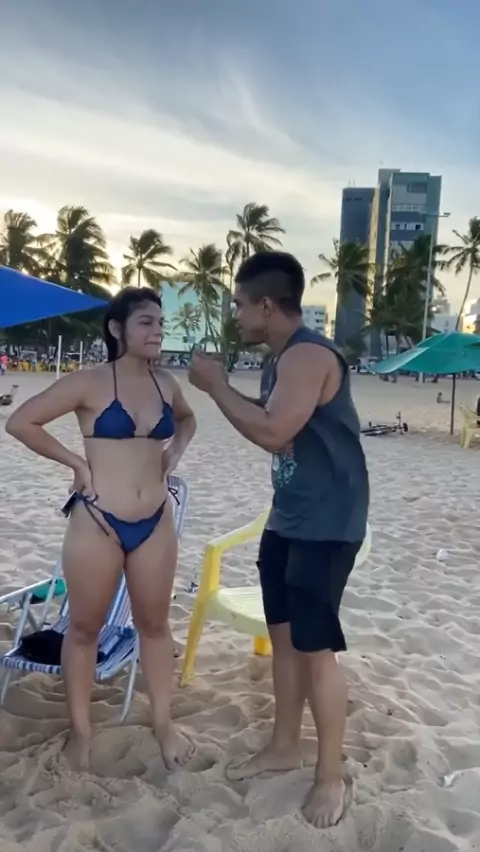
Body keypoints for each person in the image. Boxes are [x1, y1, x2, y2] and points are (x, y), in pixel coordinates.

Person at [188, 251, 369, 829]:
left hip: (326, 525)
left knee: (316, 648)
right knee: (284, 639)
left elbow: (272, 431)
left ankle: (330, 775)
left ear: (266, 305)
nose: (236, 315)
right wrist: (230, 393)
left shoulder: (309, 356)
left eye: (240, 304)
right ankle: (285, 746)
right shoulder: (279, 360)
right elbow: (276, 426)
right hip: (289, 518)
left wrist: (216, 386)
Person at [6, 287, 196, 771]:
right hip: (97, 521)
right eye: (146, 322)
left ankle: (164, 724)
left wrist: (175, 451)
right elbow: (22, 422)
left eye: (160, 323)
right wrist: (76, 463)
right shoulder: (88, 382)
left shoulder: (165, 384)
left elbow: (187, 420)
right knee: (85, 629)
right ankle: (81, 732)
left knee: (154, 626)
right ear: (117, 328)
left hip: (156, 520)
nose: (157, 331)